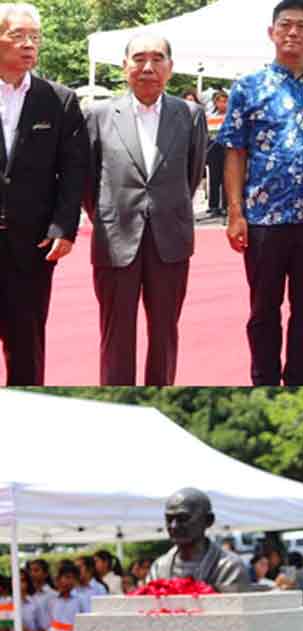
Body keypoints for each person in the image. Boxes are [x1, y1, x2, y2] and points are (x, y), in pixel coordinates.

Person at [220, 0, 303, 386]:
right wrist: (235, 212)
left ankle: (299, 380)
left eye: (302, 26)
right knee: (263, 309)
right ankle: (265, 380)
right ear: (271, 32)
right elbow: (235, 152)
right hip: (264, 219)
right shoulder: (247, 87)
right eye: (285, 25)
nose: (293, 32)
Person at [83, 33, 207, 386]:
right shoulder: (98, 115)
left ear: (170, 68)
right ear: (125, 67)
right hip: (114, 239)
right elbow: (88, 181)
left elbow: (192, 174)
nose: (147, 67)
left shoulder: (190, 115)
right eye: (139, 58)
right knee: (116, 335)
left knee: (165, 333)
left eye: (157, 59)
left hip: (170, 241)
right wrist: (107, 215)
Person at [0, 3, 88, 385]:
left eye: (34, 37)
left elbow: (74, 171)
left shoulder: (60, 100)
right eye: (18, 35)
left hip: (32, 245)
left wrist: (63, 226)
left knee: (27, 346)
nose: (28, 44)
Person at [147, 488, 251, 592]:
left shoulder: (229, 567)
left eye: (183, 518)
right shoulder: (158, 568)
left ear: (208, 520)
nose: (174, 526)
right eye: (169, 519)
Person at [204, 90, 228, 218]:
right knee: (214, 178)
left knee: (225, 178)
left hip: (226, 149)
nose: (222, 104)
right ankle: (213, 206)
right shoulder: (210, 116)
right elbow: (207, 133)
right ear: (215, 103)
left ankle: (225, 206)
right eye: (219, 101)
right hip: (213, 149)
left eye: (225, 101)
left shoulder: (230, 117)